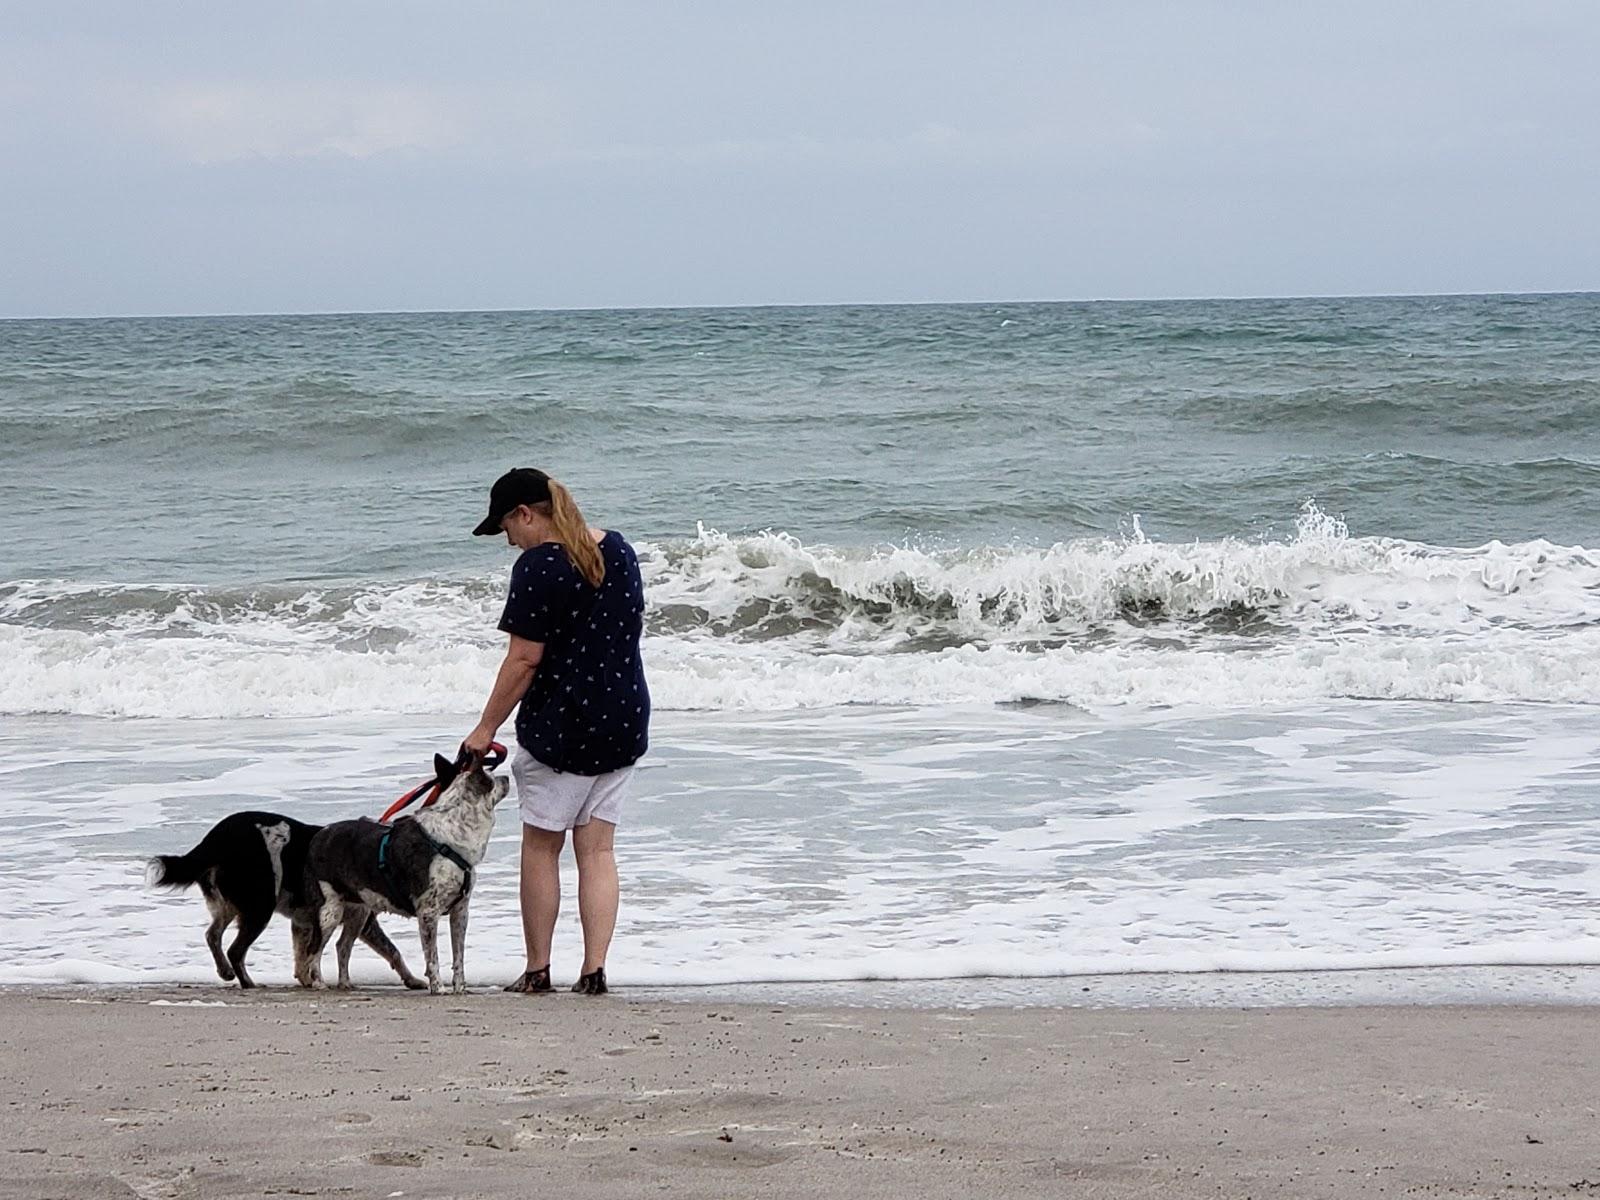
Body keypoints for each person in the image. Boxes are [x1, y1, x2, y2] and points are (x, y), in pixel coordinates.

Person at [461, 468, 650, 995]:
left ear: (526, 513)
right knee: (598, 851)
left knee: (542, 848)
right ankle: (594, 971)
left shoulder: (539, 566)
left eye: (505, 529)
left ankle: (538, 968)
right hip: (624, 719)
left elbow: (523, 661)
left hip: (563, 729)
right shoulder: (620, 549)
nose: (508, 542)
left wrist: (484, 728)